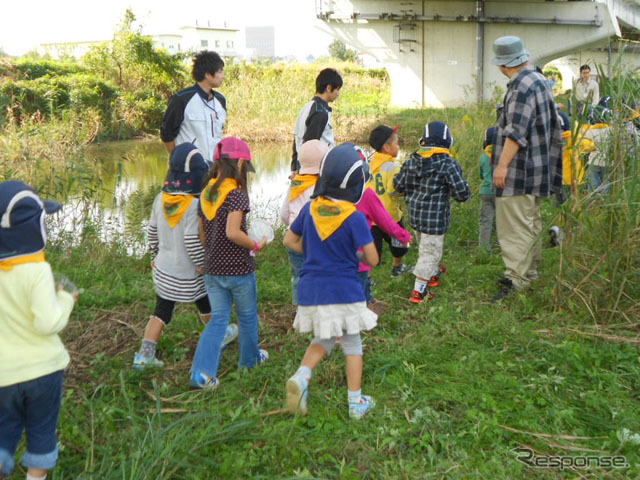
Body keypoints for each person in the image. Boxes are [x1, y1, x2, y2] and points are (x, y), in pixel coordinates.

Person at [283, 143, 379, 420]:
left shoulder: (311, 208)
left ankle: (302, 376)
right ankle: (355, 402)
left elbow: (289, 240)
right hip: (344, 290)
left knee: (324, 337)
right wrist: (356, 252)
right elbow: (371, 259)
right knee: (352, 345)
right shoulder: (354, 218)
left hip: (312, 291)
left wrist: (315, 253)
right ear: (356, 184)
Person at [133, 143, 237, 369]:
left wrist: (154, 255)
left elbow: (151, 232)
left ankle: (144, 354)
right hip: (189, 272)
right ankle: (219, 336)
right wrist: (203, 264)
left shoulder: (160, 199)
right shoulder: (193, 204)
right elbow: (192, 240)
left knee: (161, 311)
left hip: (164, 270)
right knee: (204, 303)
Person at [0, 181, 77, 480]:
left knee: (5, 430)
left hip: (4, 374)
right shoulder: (37, 271)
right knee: (41, 431)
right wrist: (65, 300)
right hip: (43, 371)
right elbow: (48, 323)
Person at [190, 137, 269, 390]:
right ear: (242, 162)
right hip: (239, 270)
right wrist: (255, 245)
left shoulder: (206, 193)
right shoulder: (236, 195)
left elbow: (203, 236)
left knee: (218, 320)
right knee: (246, 317)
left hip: (212, 271)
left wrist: (213, 254)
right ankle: (249, 361)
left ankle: (201, 374)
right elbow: (233, 233)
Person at [490, 36, 563, 302]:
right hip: (539, 169)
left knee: (514, 229)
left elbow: (516, 133)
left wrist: (501, 165)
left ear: (502, 64)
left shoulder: (520, 86)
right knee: (530, 224)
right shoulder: (540, 80)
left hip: (519, 171)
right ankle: (529, 274)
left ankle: (515, 281)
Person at [394, 121, 470, 304]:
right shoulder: (448, 164)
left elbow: (398, 184)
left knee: (426, 248)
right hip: (435, 220)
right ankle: (419, 292)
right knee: (429, 254)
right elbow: (461, 194)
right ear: (447, 142)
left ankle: (433, 275)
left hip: (416, 216)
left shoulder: (412, 161)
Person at [280, 140, 329, 305]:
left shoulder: (296, 184)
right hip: (315, 240)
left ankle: (299, 308)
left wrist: (291, 227)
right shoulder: (321, 187)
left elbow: (284, 214)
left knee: (298, 275)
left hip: (294, 239)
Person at [160, 51, 227, 165]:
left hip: (216, 166)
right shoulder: (182, 99)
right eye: (220, 72)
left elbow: (219, 133)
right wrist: (177, 159)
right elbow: (167, 134)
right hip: (189, 167)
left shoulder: (220, 100)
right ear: (207, 74)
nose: (223, 76)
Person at [368, 124, 411, 276]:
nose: (398, 147)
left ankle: (368, 279)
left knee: (372, 250)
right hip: (390, 216)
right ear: (387, 147)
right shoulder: (391, 166)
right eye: (396, 143)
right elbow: (393, 191)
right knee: (399, 243)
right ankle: (397, 267)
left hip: (372, 217)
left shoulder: (371, 164)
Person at [290, 68, 343, 173]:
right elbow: (310, 145)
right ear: (329, 88)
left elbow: (296, 141)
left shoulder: (308, 107)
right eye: (337, 89)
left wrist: (294, 169)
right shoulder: (320, 112)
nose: (338, 93)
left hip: (304, 168)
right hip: (314, 170)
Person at [478, 126, 497, 253]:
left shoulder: (483, 156)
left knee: (485, 221)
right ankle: (505, 246)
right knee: (503, 221)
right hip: (500, 192)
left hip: (485, 192)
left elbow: (481, 175)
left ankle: (484, 248)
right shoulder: (503, 153)